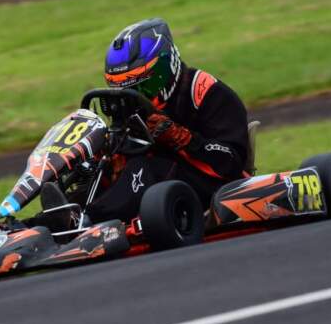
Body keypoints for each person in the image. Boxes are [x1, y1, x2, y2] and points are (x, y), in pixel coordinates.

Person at [84, 17, 250, 223]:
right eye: (124, 89)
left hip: (214, 186)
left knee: (146, 167)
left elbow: (231, 162)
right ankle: (60, 217)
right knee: (90, 169)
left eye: (141, 86)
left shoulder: (208, 93)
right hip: (160, 189)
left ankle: (91, 219)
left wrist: (181, 138)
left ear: (166, 68)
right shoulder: (130, 108)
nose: (134, 95)